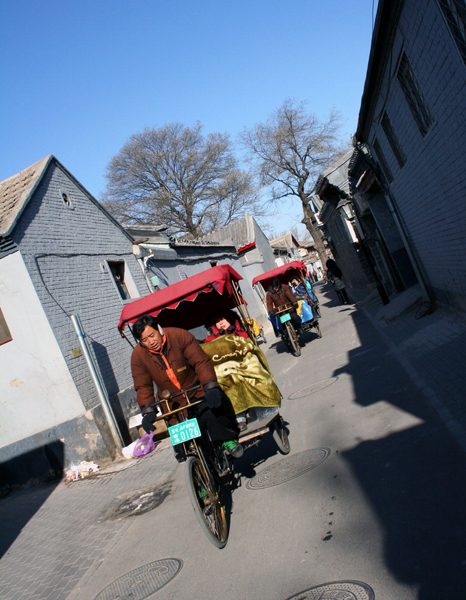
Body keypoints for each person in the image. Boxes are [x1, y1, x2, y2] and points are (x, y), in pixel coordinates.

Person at [131, 314, 243, 459]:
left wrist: (210, 386)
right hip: (173, 402)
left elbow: (200, 362)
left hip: (196, 390)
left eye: (152, 335)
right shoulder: (138, 355)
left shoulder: (179, 336)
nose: (150, 342)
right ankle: (198, 467)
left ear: (158, 329)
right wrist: (148, 410)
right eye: (144, 340)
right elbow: (142, 385)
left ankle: (227, 441)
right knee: (184, 446)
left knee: (210, 414)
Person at [204, 309, 249, 431]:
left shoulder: (241, 334)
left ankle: (240, 418)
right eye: (217, 321)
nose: (221, 323)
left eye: (222, 319)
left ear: (229, 319)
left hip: (243, 368)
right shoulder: (211, 340)